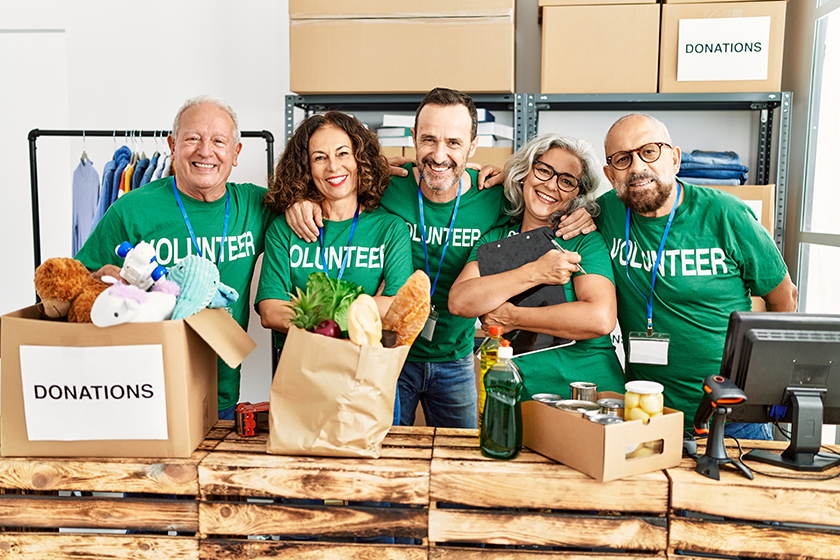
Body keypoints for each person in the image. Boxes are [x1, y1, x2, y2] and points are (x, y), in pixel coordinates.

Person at [284, 88, 596, 429]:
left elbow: (550, 199)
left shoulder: (493, 195)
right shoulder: (387, 185)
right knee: (385, 454)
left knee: (459, 459)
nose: (439, 154)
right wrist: (303, 200)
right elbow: (334, 184)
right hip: (388, 353)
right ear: (413, 138)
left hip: (456, 359)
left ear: (473, 146)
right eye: (429, 140)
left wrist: (585, 215)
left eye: (454, 143)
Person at [597, 113, 798, 437]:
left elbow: (783, 296)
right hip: (647, 414)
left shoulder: (725, 214)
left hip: (733, 417)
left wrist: (766, 380)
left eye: (649, 151)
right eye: (622, 159)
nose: (636, 167)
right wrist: (500, 177)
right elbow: (544, 200)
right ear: (609, 174)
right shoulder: (604, 212)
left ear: (674, 159)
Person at [75, 95, 274, 420]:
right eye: (193, 138)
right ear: (172, 145)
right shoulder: (131, 209)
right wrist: (104, 280)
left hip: (221, 393)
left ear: (236, 153)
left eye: (219, 141)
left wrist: (302, 206)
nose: (205, 151)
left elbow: (312, 206)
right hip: (144, 390)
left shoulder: (255, 205)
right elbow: (77, 282)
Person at [254, 111, 413, 421]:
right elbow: (271, 311)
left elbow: (396, 307)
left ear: (359, 159)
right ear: (306, 168)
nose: (333, 167)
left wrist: (306, 312)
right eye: (319, 157)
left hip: (366, 379)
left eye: (343, 153)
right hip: (301, 379)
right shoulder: (284, 230)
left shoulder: (390, 229)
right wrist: (363, 306)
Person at [449, 132, 625, 399]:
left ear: (578, 193)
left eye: (567, 180)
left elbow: (600, 318)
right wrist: (534, 272)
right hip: (518, 395)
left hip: (587, 395)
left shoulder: (582, 241)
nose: (552, 185)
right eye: (544, 170)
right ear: (524, 174)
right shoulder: (495, 239)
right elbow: (460, 301)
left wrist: (512, 317)